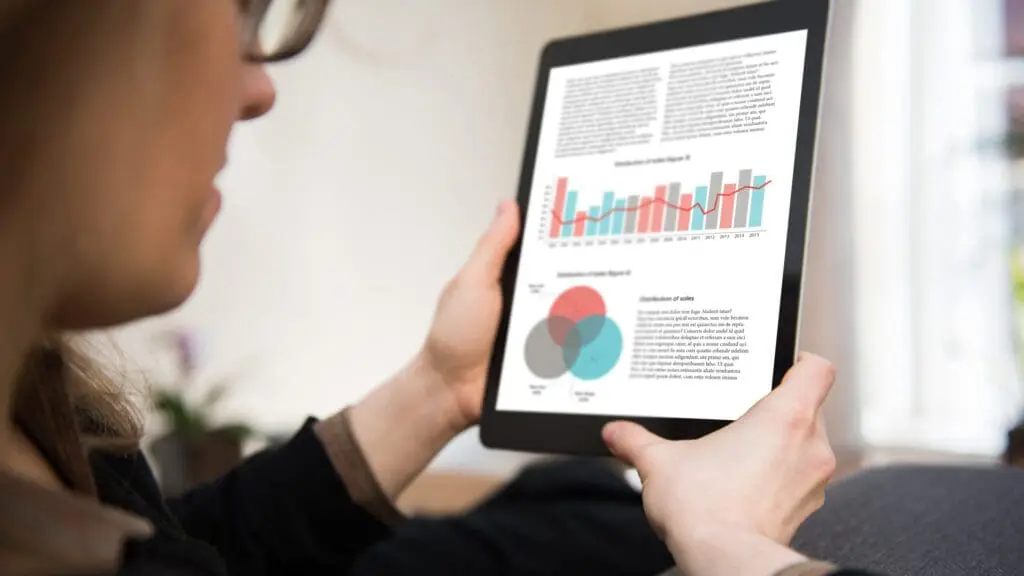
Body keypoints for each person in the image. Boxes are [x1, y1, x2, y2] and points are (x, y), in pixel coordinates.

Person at [0, 1, 875, 575]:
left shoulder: (41, 423)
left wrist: (440, 386)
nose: (259, 87)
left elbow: (193, 550)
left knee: (571, 507)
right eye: (238, 12)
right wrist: (731, 549)